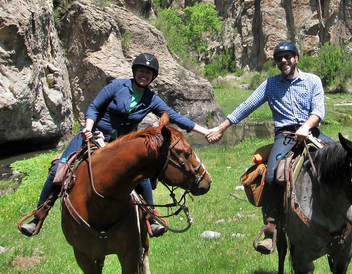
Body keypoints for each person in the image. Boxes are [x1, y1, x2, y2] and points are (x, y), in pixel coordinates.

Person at [19, 53, 211, 237]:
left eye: (149, 72)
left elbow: (174, 116)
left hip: (122, 143)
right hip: (93, 134)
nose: (144, 74)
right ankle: (39, 215)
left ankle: (151, 217)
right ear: (135, 71)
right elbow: (94, 107)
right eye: (141, 70)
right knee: (59, 170)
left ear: (153, 77)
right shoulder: (117, 86)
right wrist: (88, 127)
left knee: (141, 174)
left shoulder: (151, 99)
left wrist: (206, 131)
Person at [206, 41, 333, 254]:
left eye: (288, 56)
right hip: (285, 136)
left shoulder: (312, 81)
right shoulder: (269, 85)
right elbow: (247, 106)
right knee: (273, 176)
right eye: (279, 58)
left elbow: (318, 110)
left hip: (311, 132)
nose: (284, 60)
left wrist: (306, 126)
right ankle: (271, 228)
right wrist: (222, 127)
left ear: (296, 58)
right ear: (276, 63)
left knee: (342, 160)